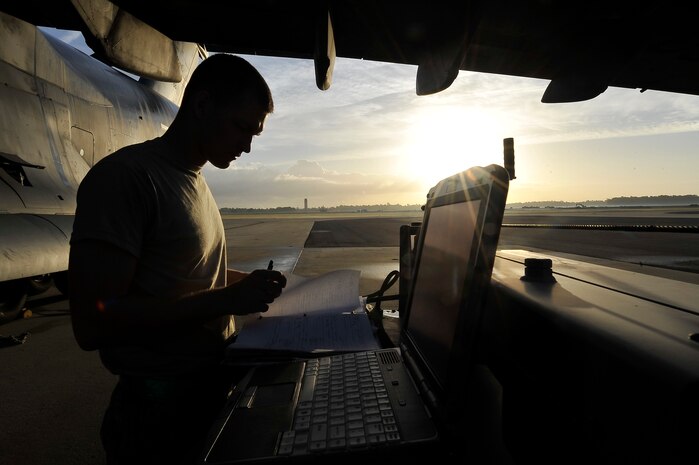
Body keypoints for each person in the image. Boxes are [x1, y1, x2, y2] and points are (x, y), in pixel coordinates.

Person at [68, 54, 287, 465]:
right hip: (157, 416)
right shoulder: (126, 178)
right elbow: (93, 322)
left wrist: (268, 287)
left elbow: (193, 279)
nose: (247, 145)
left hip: (204, 395)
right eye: (242, 128)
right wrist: (226, 300)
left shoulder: (194, 179)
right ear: (202, 106)